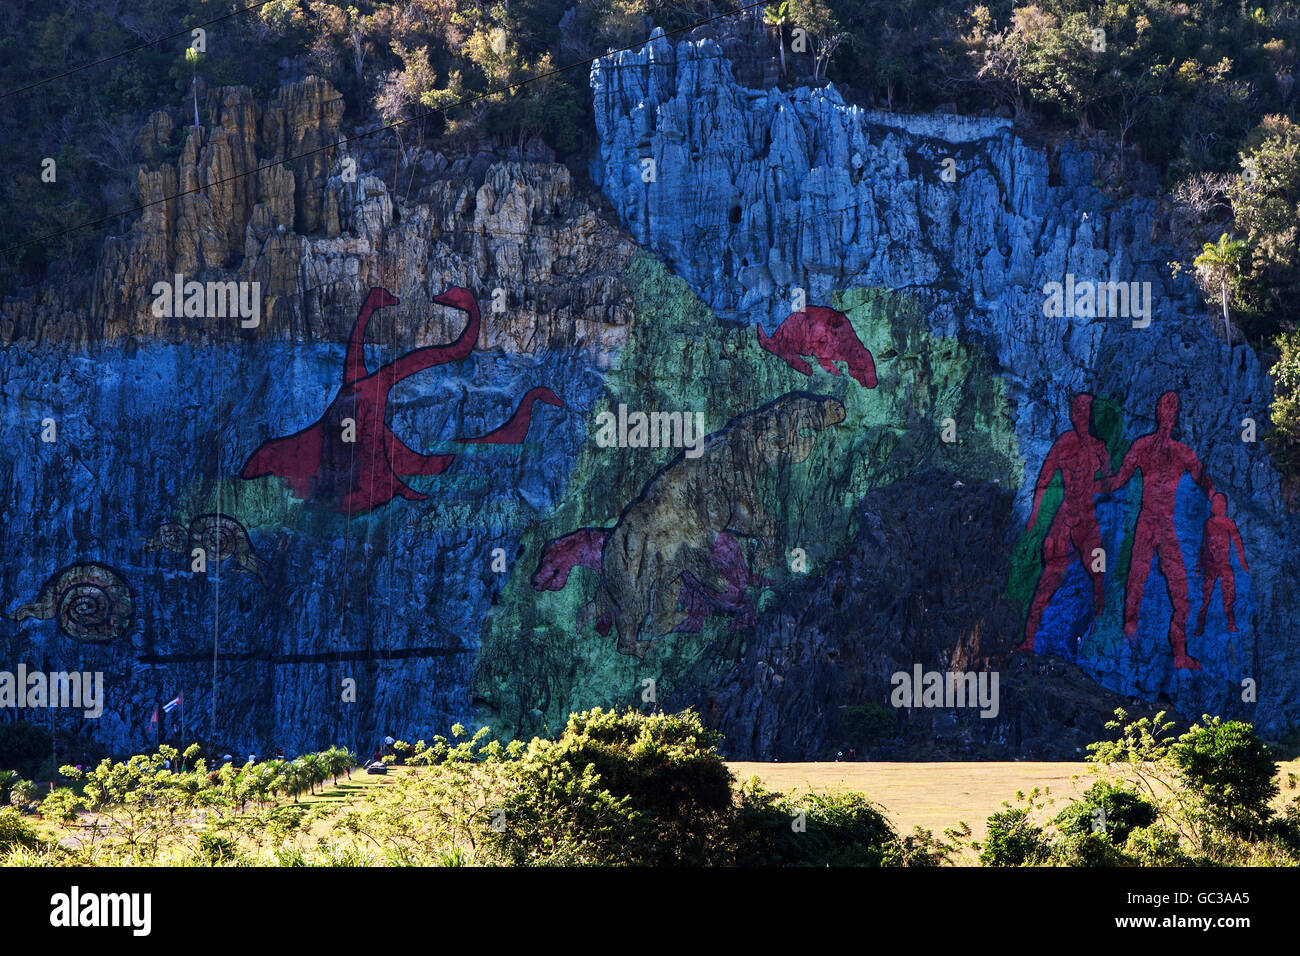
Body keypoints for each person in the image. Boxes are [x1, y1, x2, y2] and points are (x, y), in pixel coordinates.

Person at [1105, 391, 1214, 669]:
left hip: (1166, 525)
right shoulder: (1142, 446)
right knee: (1135, 582)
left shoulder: (1182, 453)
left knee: (1180, 591)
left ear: (1176, 414)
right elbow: (1118, 481)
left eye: (1172, 407)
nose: (1167, 411)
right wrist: (1091, 487)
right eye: (1164, 406)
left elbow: (1205, 482)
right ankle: (1127, 640)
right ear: (1156, 411)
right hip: (1146, 522)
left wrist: (1216, 504)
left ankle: (1179, 655)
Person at [1018, 393, 1113, 652]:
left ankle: (1096, 636)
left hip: (1087, 520)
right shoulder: (1064, 442)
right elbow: (1044, 480)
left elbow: (1109, 485)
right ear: (1072, 414)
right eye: (1076, 409)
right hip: (1065, 518)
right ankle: (1028, 640)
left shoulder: (1100, 448)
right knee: (1050, 575)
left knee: (1098, 575)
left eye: (1085, 409)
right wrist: (1035, 516)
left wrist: (1097, 487)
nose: (1080, 414)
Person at [1196, 493, 1249, 635]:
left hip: (1221, 565)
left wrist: (1243, 564)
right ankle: (1201, 625)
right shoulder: (1210, 523)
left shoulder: (1227, 523)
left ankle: (1229, 624)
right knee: (1208, 598)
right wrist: (1198, 566)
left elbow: (1238, 544)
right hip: (1213, 565)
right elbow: (1204, 545)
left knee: (1225, 597)